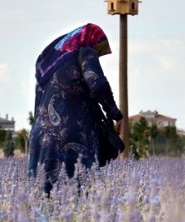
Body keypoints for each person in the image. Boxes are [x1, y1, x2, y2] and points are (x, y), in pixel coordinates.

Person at [28, 24, 123, 194]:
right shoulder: (85, 51)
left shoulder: (47, 67)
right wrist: (114, 113)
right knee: (77, 197)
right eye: (98, 48)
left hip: (40, 137)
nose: (97, 52)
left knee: (41, 198)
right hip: (72, 134)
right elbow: (97, 83)